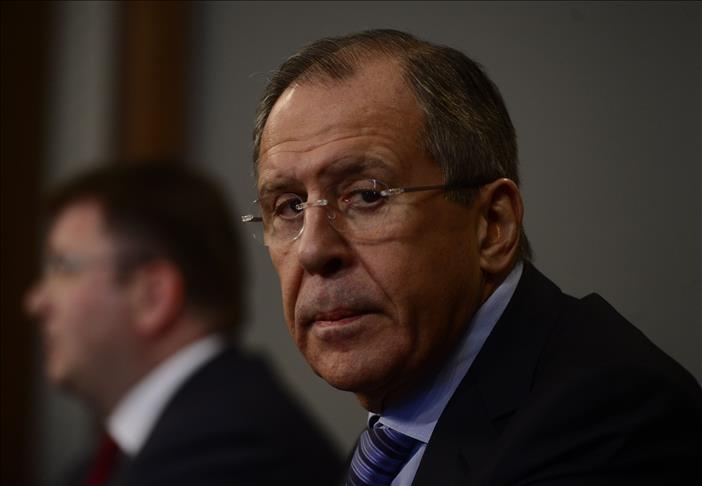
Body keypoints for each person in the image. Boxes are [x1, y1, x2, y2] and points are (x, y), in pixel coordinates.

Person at [244, 29, 702, 485]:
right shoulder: (394, 437)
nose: (313, 249)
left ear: (492, 226)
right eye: (290, 207)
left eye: (367, 195)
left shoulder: (606, 416)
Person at [25, 161, 343, 486]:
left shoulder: (226, 454)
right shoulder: (114, 461)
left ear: (152, 296)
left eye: (63, 266)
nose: (36, 303)